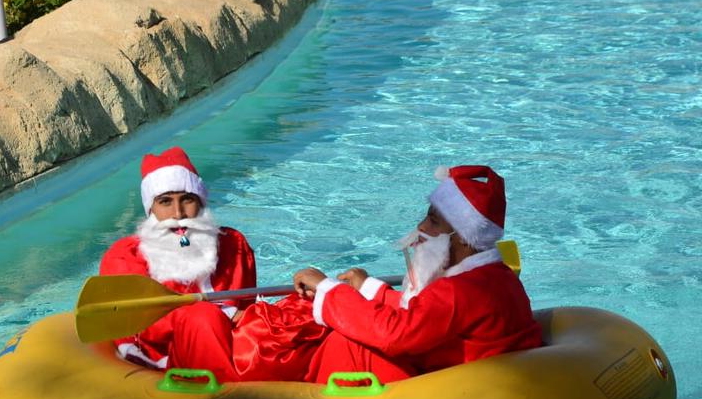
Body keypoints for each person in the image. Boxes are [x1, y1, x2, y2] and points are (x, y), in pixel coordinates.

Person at [291, 165, 543, 384]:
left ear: (465, 238)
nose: (421, 226)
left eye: (433, 221)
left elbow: (396, 335)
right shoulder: (500, 277)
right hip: (478, 382)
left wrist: (327, 288)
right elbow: (426, 314)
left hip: (452, 398)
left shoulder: (460, 290)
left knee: (348, 345)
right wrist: (369, 288)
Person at [100, 147, 256, 377]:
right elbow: (142, 326)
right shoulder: (125, 256)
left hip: (234, 346)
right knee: (203, 318)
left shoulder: (234, 244)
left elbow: (247, 306)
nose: (178, 214)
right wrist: (225, 315)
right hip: (165, 358)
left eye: (187, 199)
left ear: (200, 201)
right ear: (151, 208)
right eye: (165, 202)